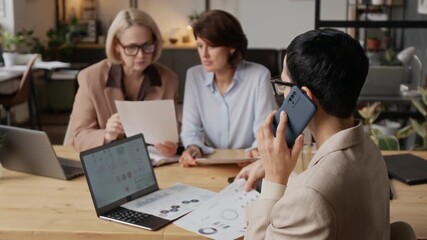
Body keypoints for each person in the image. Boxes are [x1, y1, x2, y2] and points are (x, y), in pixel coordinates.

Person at [237, 28, 390, 239]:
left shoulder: (310, 199)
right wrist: (278, 169)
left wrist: (274, 180)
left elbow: (313, 197)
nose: (283, 94)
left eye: (284, 85)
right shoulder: (371, 151)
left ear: (304, 97)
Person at [69, 9, 179, 156]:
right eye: (132, 47)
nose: (140, 55)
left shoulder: (168, 80)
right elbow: (79, 138)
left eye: (147, 46)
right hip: (107, 164)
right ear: (116, 46)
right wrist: (107, 135)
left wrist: (173, 146)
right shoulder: (91, 78)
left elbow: (177, 134)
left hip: (154, 164)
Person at [179, 10, 277, 167]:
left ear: (232, 47)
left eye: (211, 46)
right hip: (209, 166)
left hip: (249, 164)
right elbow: (191, 130)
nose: (204, 54)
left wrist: (256, 150)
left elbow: (264, 130)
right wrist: (193, 147)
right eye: (200, 45)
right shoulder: (194, 76)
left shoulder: (259, 75)